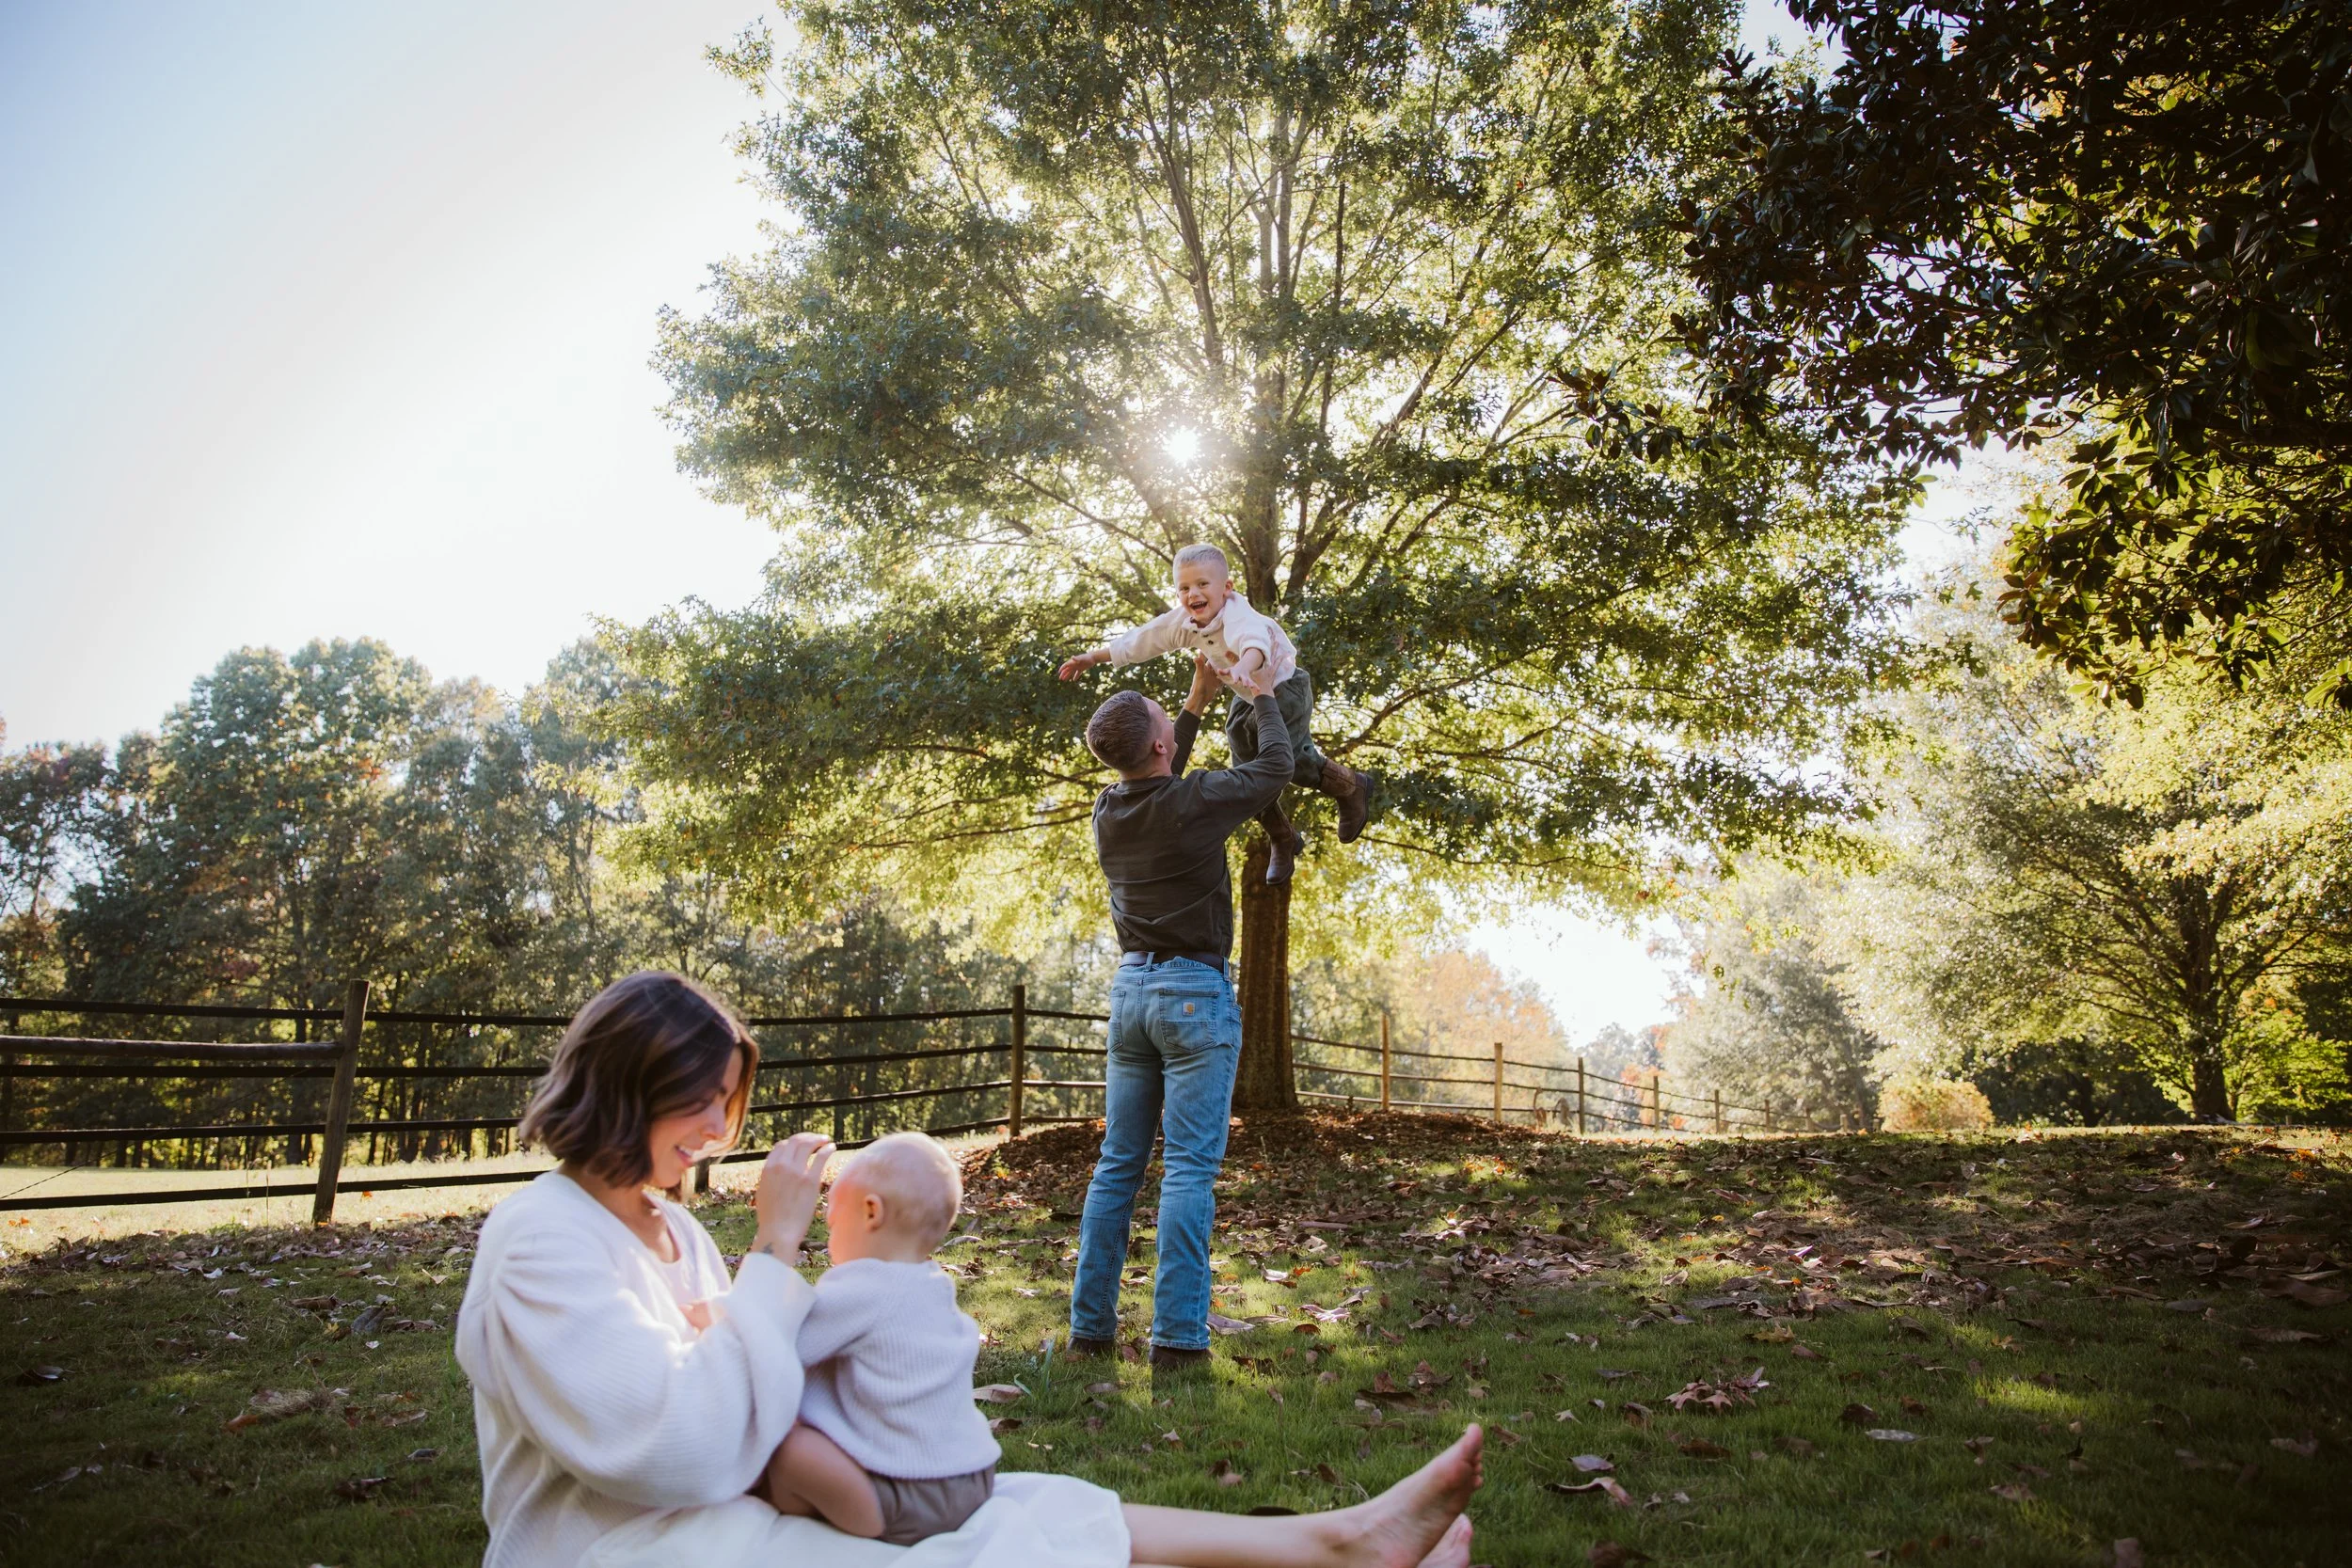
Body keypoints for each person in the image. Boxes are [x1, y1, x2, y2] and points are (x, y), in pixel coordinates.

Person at [455, 969, 1484, 1568]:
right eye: (702, 1101)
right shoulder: (539, 1240)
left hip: (721, 1516)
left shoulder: (670, 1232)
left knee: (1020, 1501)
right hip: (623, 1548)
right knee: (977, 1553)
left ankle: (1334, 1541)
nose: (722, 1128)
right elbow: (683, 1449)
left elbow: (750, 1391)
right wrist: (773, 1246)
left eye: (730, 1101)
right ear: (626, 1086)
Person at [1064, 656, 1283, 1370]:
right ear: (1160, 745)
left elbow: (1161, 765)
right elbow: (1273, 767)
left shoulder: (1109, 809)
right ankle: (1179, 1343)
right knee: (1188, 1171)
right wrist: (1262, 694)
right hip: (1193, 994)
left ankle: (1089, 1332)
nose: (1171, 725)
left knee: (1117, 1166)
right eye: (1166, 720)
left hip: (1130, 996)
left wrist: (1194, 696)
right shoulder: (1194, 803)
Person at [1058, 543, 1373, 884]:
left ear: (1227, 588)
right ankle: (1282, 836)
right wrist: (1093, 657)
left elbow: (1254, 642)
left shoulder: (1238, 614)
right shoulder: (1186, 622)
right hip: (1245, 692)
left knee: (1290, 761)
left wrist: (1246, 668)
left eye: (1202, 584)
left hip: (1280, 687)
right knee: (1245, 769)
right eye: (1184, 587)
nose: (1193, 593)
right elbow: (1142, 641)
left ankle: (1351, 786)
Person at [761, 1132, 998, 1545]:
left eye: (832, 1224)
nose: (827, 1242)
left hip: (909, 1493)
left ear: (871, 1212)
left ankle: (865, 1524)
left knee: (788, 1452)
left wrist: (719, 1314)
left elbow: (772, 1342)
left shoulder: (863, 1286)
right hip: (974, 1477)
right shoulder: (933, 1285)